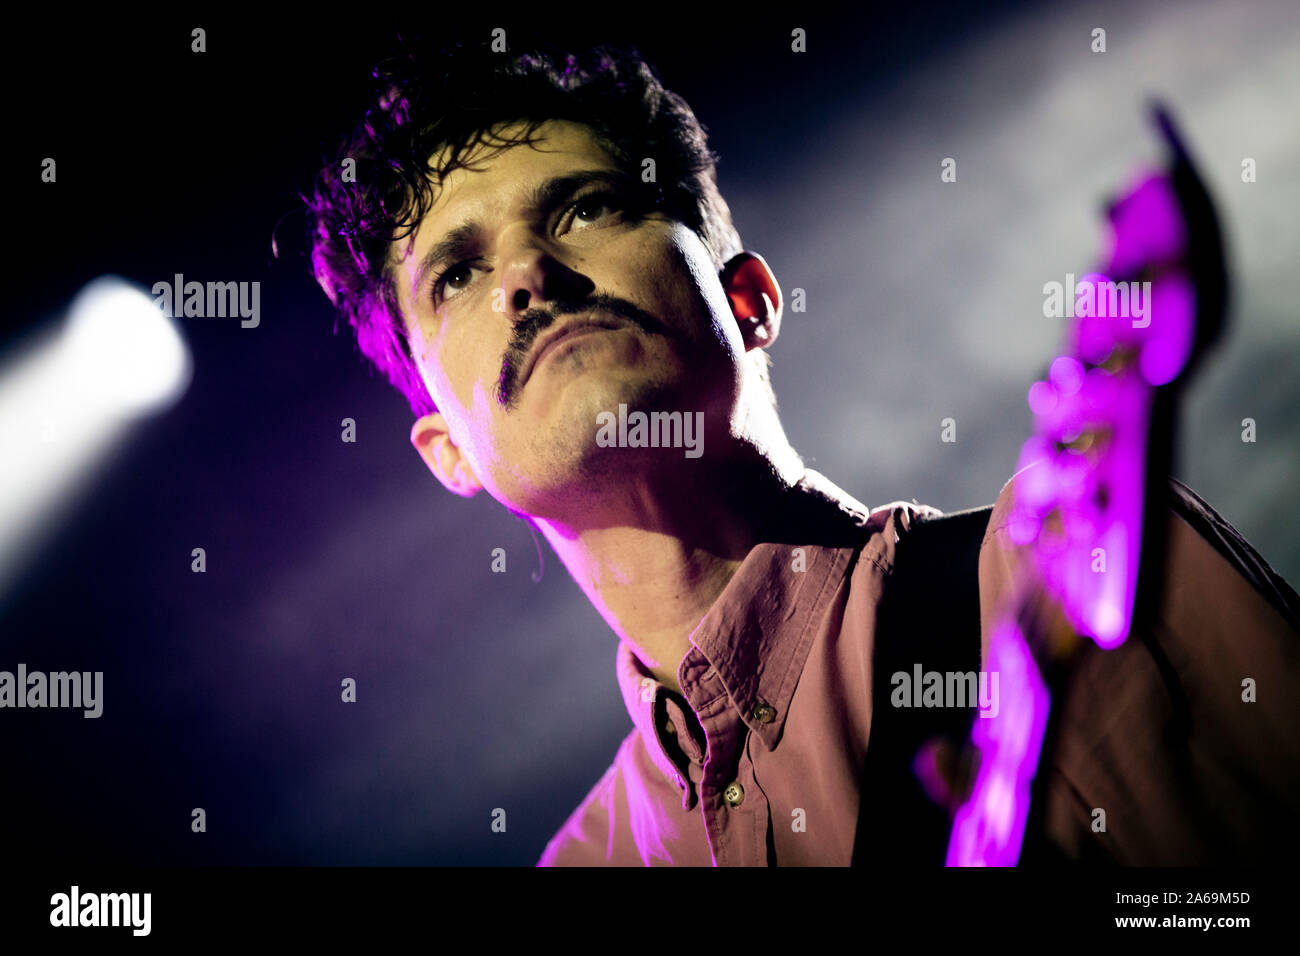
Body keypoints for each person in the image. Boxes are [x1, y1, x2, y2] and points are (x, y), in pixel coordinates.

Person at [304, 41, 1300, 865]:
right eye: (458, 273)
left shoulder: (1073, 568)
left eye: (586, 207)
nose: (527, 270)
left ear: (749, 301)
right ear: (449, 455)